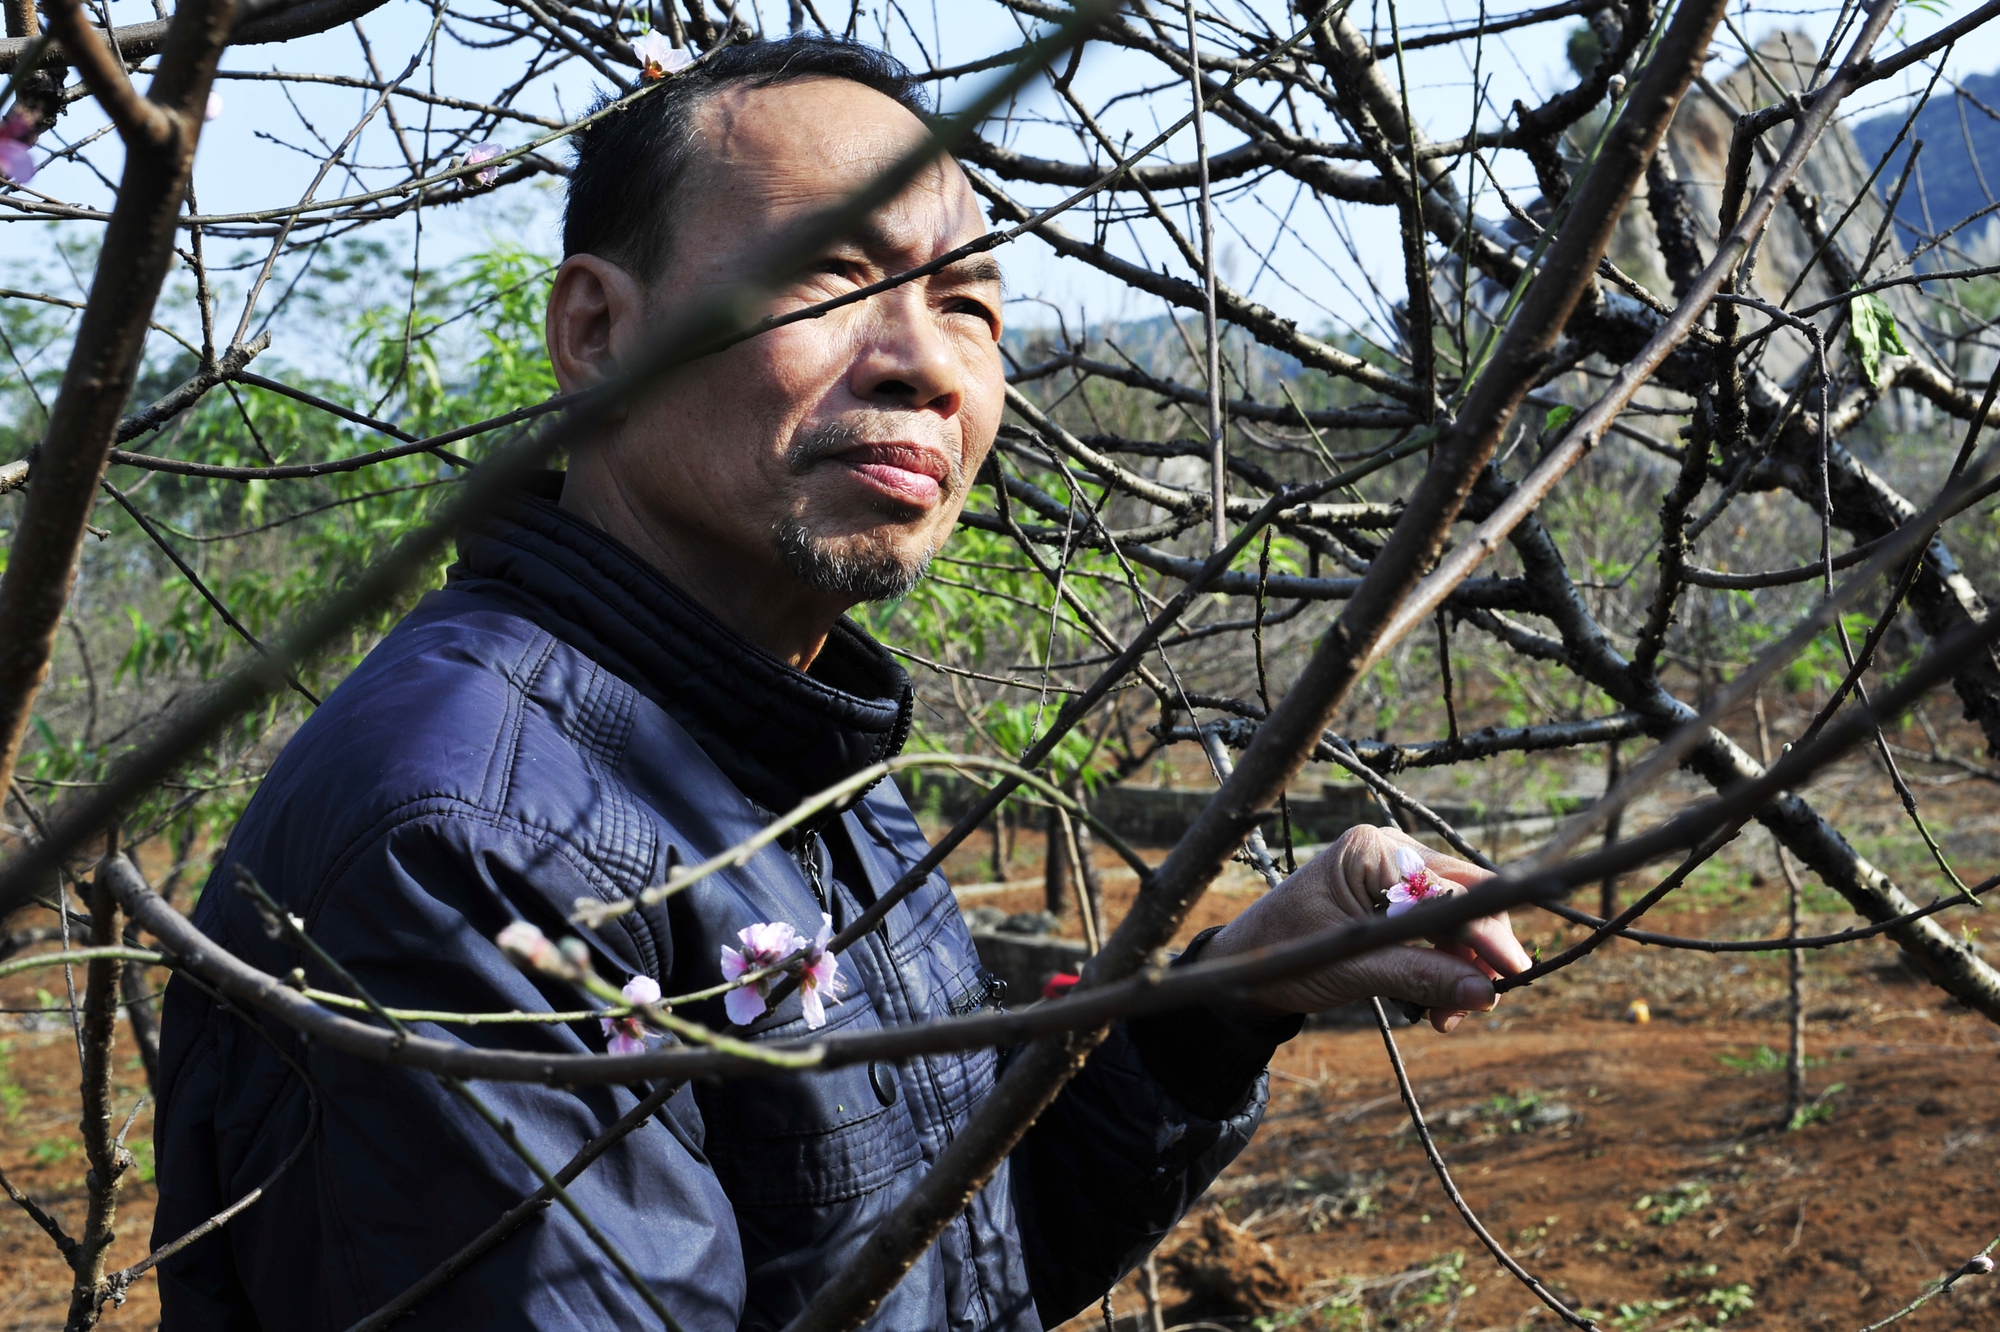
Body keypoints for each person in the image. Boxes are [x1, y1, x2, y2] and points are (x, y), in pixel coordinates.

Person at [152, 35, 1529, 1331]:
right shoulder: (464, 848)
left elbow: (955, 1260)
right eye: (831, 279)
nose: (927, 363)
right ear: (596, 334)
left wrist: (1240, 987)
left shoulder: (796, 753)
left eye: (971, 305)